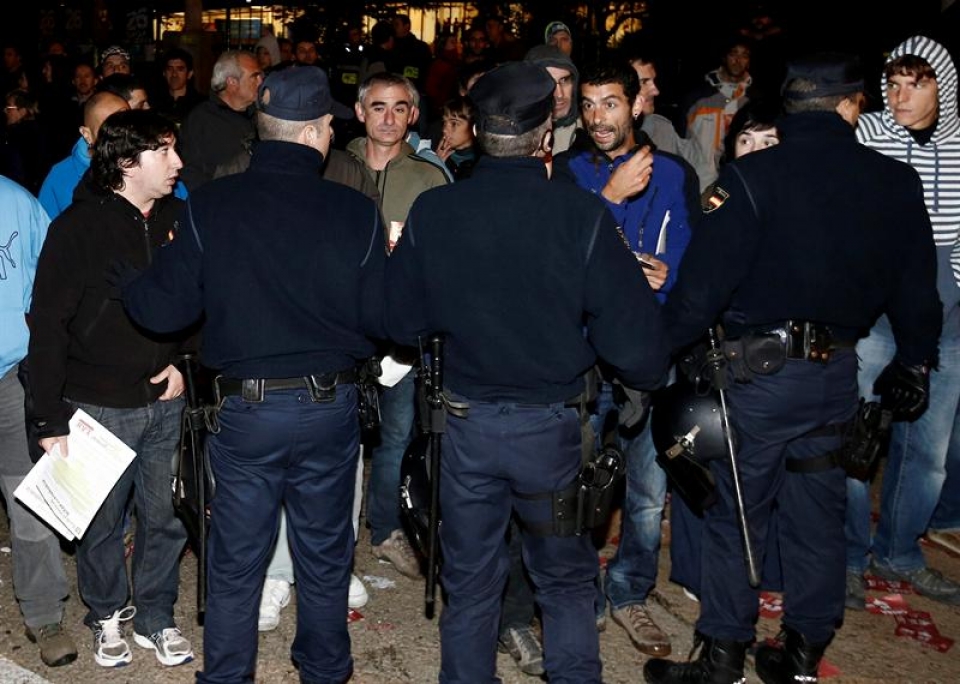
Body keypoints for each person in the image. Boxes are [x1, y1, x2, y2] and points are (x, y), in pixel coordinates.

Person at [643, 53, 941, 684]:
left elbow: (701, 292)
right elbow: (918, 292)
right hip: (835, 375)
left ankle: (721, 657)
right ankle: (801, 652)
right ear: (851, 105)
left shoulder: (753, 178)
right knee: (815, 513)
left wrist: (653, 353)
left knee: (734, 513)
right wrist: (915, 360)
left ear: (788, 106)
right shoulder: (893, 182)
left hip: (759, 381)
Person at [384, 59, 670, 684]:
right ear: (547, 135)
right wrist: (636, 384)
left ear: (481, 132)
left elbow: (397, 324)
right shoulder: (580, 216)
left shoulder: (436, 212)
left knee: (471, 581)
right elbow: (637, 344)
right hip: (552, 431)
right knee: (565, 580)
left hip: (466, 428)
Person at [119, 65, 384, 684]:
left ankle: (228, 676)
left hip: (249, 413)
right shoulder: (355, 210)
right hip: (329, 405)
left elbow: (165, 309)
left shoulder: (211, 205)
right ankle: (324, 670)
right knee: (324, 556)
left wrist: (132, 285)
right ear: (319, 132)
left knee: (238, 560)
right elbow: (386, 319)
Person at [29, 109, 194, 669]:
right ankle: (106, 614)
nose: (178, 162)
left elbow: (200, 301)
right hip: (96, 404)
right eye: (165, 151)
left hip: (164, 400)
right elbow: (47, 323)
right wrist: (48, 419)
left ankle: (155, 614)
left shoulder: (180, 216)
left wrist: (183, 363)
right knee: (100, 524)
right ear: (127, 162)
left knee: (164, 516)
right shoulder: (77, 228)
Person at [555, 62, 697, 659]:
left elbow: (695, 257)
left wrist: (671, 281)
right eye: (588, 105)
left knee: (646, 488)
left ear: (636, 106)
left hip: (650, 349)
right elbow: (558, 264)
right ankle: (579, 595)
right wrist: (609, 202)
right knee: (579, 485)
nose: (597, 117)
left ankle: (630, 590)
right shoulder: (568, 174)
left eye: (610, 104)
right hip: (584, 352)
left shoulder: (673, 172)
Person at [845, 35, 960, 609]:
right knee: (859, 430)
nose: (900, 95)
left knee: (929, 447)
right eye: (893, 83)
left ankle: (900, 552)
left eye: (916, 83)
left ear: (943, 85)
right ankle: (846, 555)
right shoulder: (867, 135)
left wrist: (955, 286)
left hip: (945, 311)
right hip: (876, 308)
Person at [346, 72, 448, 580]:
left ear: (413, 114)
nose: (389, 118)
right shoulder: (331, 164)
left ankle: (385, 530)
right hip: (341, 324)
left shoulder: (429, 177)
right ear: (360, 110)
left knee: (396, 432)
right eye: (379, 107)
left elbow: (446, 257)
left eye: (400, 108)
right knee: (339, 434)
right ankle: (333, 537)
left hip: (403, 332)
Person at [0, 174, 77, 668]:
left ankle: (44, 613)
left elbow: (49, 289)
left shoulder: (17, 203)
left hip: (10, 379)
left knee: (27, 498)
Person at [37, 91, 130, 220]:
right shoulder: (61, 176)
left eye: (128, 125)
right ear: (87, 134)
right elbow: (45, 230)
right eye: (111, 129)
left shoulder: (145, 162)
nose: (124, 135)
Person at [178, 50, 262, 190]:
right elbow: (193, 174)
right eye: (255, 76)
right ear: (232, 82)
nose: (261, 81)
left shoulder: (261, 114)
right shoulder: (202, 120)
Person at [680, 36, 753, 192]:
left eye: (744, 55)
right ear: (724, 56)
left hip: (742, 184)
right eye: (733, 53)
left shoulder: (755, 99)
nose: (738, 60)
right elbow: (680, 142)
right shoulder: (697, 98)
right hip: (700, 184)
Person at [524, 45, 580, 153]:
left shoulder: (592, 131)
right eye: (548, 82)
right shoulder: (511, 138)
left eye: (564, 80)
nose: (559, 94)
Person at [152, 48, 204, 126]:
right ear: (164, 73)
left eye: (180, 69)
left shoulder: (200, 105)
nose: (174, 75)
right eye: (170, 69)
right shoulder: (154, 103)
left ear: (189, 74)